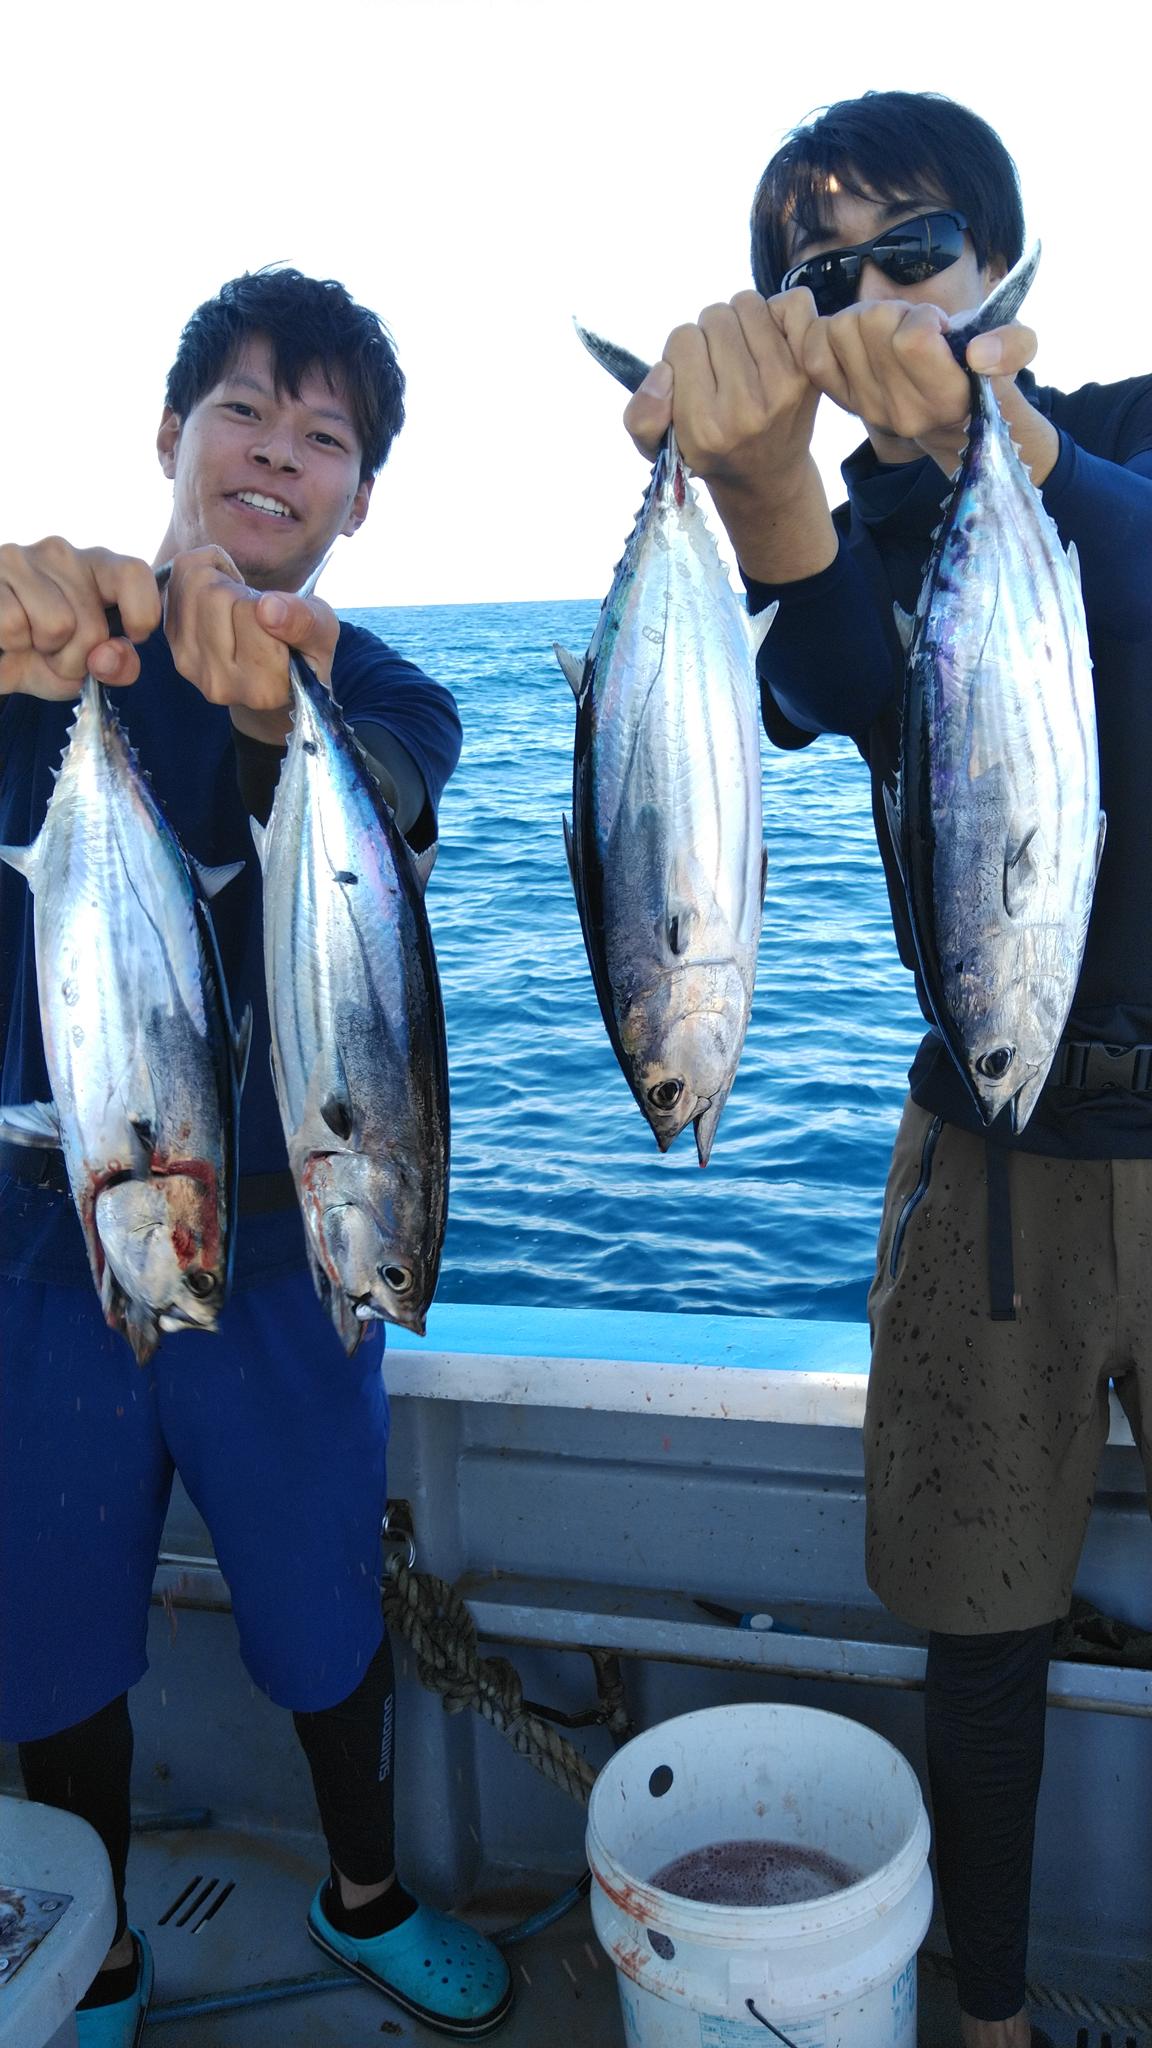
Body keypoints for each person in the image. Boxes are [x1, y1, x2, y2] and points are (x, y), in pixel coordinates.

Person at [623, 90, 1152, 2048]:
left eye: (912, 248)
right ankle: (990, 2019)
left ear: (1000, 259)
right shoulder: (864, 532)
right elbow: (822, 679)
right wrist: (765, 480)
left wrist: (1012, 442)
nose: (871, 294)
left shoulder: (1125, 431)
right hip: (991, 1153)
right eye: (818, 276)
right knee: (982, 1622)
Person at [0, 268, 513, 2045]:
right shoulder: (46, 665)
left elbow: (395, 785)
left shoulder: (383, 692)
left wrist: (278, 719)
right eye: (244, 410)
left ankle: (362, 1893)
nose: (279, 455)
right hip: (52, 1247)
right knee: (49, 1629)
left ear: (361, 498)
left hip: (295, 1252)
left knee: (319, 1610)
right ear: (170, 432)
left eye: (325, 438)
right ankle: (92, 1948)